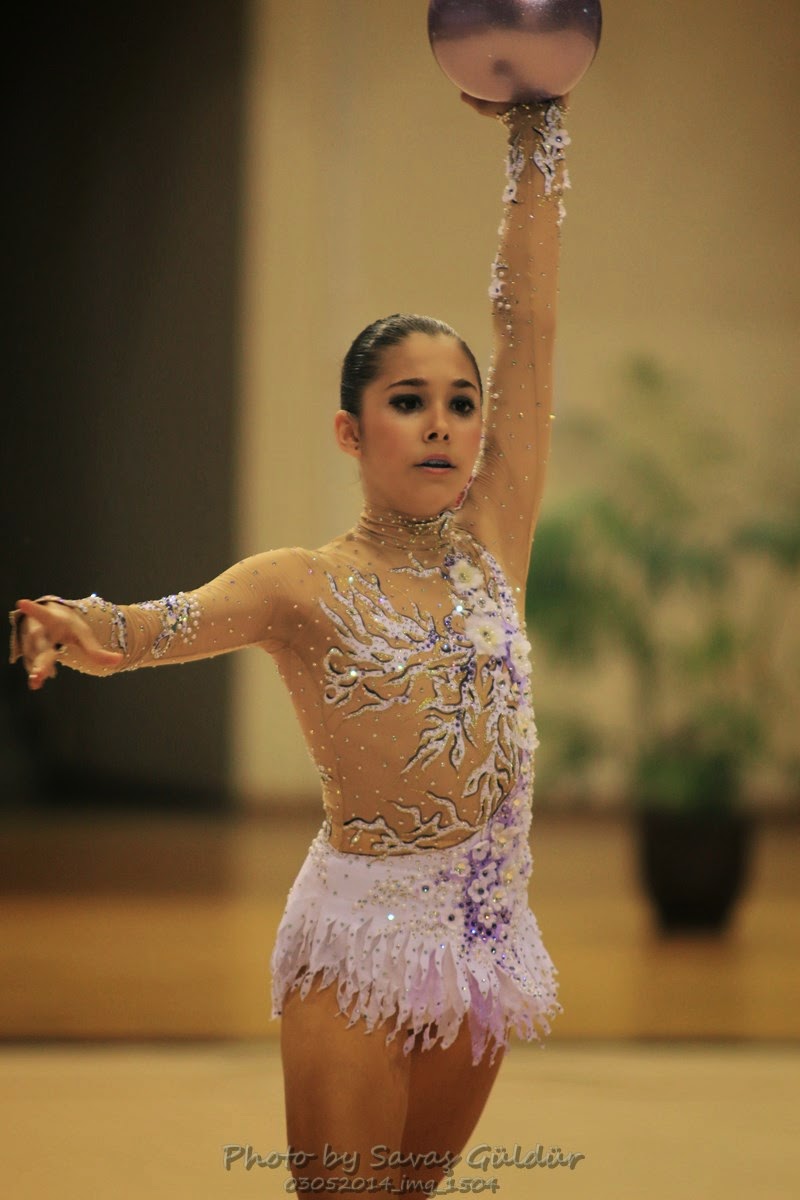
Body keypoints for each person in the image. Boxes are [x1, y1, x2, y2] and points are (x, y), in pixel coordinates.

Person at [11, 91, 570, 1193]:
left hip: (485, 932)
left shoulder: (496, 533)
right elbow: (146, 630)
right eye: (409, 402)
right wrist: (76, 625)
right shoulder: (298, 586)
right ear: (349, 431)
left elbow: (531, 329)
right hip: (358, 940)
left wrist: (535, 132)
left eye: (461, 403)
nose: (443, 423)